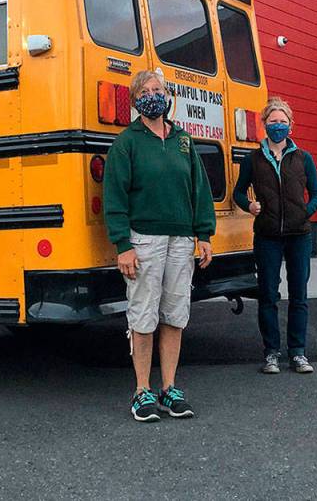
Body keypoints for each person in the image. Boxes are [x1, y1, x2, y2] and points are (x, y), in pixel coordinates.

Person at [102, 69, 215, 423]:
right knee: (144, 315)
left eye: (159, 90)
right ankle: (141, 390)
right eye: (147, 90)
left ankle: (170, 387)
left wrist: (204, 233)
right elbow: (115, 196)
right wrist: (123, 244)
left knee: (175, 314)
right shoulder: (127, 143)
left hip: (181, 239)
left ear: (168, 97)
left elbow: (199, 188)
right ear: (136, 100)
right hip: (144, 241)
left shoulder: (183, 140)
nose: (154, 95)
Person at [232, 97, 317, 374]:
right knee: (268, 295)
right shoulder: (253, 159)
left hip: (299, 235)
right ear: (265, 125)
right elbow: (238, 192)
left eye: (283, 122)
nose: (278, 126)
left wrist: (304, 212)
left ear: (291, 125)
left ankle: (297, 353)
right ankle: (271, 352)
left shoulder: (303, 158)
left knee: (299, 295)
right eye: (273, 122)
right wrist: (250, 205)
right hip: (267, 235)